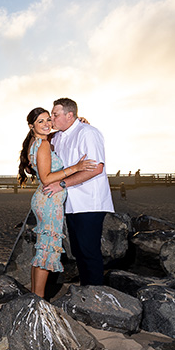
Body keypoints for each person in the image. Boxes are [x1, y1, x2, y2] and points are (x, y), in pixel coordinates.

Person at [18, 107, 97, 298]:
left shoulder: (36, 142)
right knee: (47, 250)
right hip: (49, 201)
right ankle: (38, 300)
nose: (46, 124)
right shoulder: (43, 144)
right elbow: (46, 178)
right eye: (41, 121)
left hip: (45, 199)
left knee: (43, 248)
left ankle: (36, 297)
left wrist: (77, 125)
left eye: (48, 120)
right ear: (31, 126)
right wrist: (75, 168)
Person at [44, 98, 115, 286]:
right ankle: (86, 291)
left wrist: (62, 184)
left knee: (89, 251)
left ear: (70, 115)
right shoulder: (57, 137)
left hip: (90, 202)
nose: (51, 119)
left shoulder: (88, 133)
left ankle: (95, 294)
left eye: (55, 115)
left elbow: (96, 168)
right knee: (78, 251)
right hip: (70, 204)